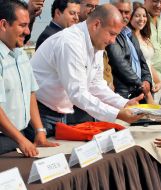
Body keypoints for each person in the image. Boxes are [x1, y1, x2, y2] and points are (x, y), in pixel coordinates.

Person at [29, 4, 143, 139]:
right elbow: (78, 93)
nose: (113, 41)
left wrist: (123, 103)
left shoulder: (97, 43)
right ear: (96, 25)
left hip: (61, 112)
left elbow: (96, 85)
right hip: (40, 113)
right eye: (112, 34)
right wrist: (117, 113)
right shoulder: (70, 43)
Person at [0, 0, 58, 156]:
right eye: (22, 25)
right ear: (4, 25)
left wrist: (39, 130)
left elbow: (30, 92)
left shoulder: (21, 54)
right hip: (4, 143)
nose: (27, 31)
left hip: (19, 137)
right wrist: (20, 140)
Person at [107, 0, 153, 103]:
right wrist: (141, 83)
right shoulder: (110, 34)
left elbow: (143, 62)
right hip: (123, 94)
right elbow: (120, 64)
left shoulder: (130, 34)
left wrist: (147, 81)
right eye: (120, 11)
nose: (123, 16)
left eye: (127, 12)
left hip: (139, 92)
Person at [129, 2, 161, 104]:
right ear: (130, 17)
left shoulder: (146, 37)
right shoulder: (128, 38)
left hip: (150, 84)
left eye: (144, 16)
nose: (141, 19)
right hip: (139, 86)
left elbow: (148, 62)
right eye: (137, 16)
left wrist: (158, 81)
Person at [144, 0, 161, 104]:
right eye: (155, 1)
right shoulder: (141, 19)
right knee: (151, 117)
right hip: (150, 81)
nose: (159, 5)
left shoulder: (160, 19)